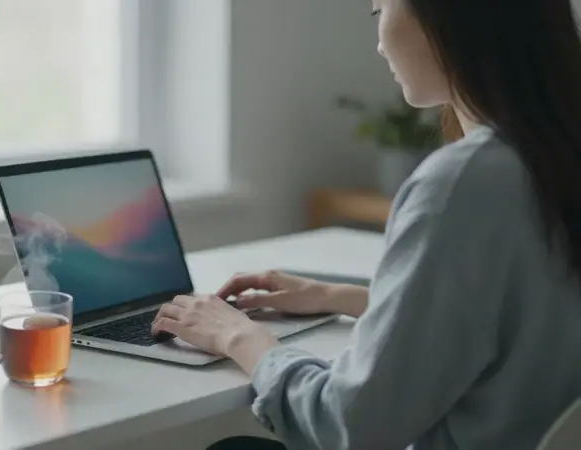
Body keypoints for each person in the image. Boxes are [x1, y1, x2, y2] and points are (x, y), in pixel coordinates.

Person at [151, 0, 581, 448]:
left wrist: (238, 335)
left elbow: (351, 424)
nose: (378, 44)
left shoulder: (464, 183)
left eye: (380, 10)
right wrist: (337, 297)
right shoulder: (554, 151)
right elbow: (530, 311)